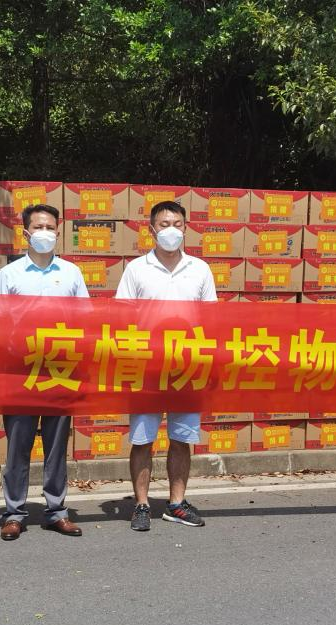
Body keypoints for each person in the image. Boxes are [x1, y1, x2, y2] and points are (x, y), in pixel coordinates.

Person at [114, 200, 215, 531]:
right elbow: (121, 317)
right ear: (151, 230)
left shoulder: (200, 269)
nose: (171, 230)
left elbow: (212, 318)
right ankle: (141, 505)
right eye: (164, 224)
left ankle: (176, 503)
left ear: (186, 228)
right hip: (146, 366)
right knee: (143, 438)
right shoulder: (136, 269)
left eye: (177, 224)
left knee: (182, 437)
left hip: (188, 366)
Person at [0, 203, 88, 541]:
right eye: (38, 227)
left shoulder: (72, 273)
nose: (44, 233)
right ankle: (14, 513)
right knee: (18, 444)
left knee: (56, 443)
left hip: (60, 369)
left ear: (58, 232)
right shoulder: (10, 274)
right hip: (20, 370)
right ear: (25, 233)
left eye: (50, 228)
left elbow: (86, 320)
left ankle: (56, 511)